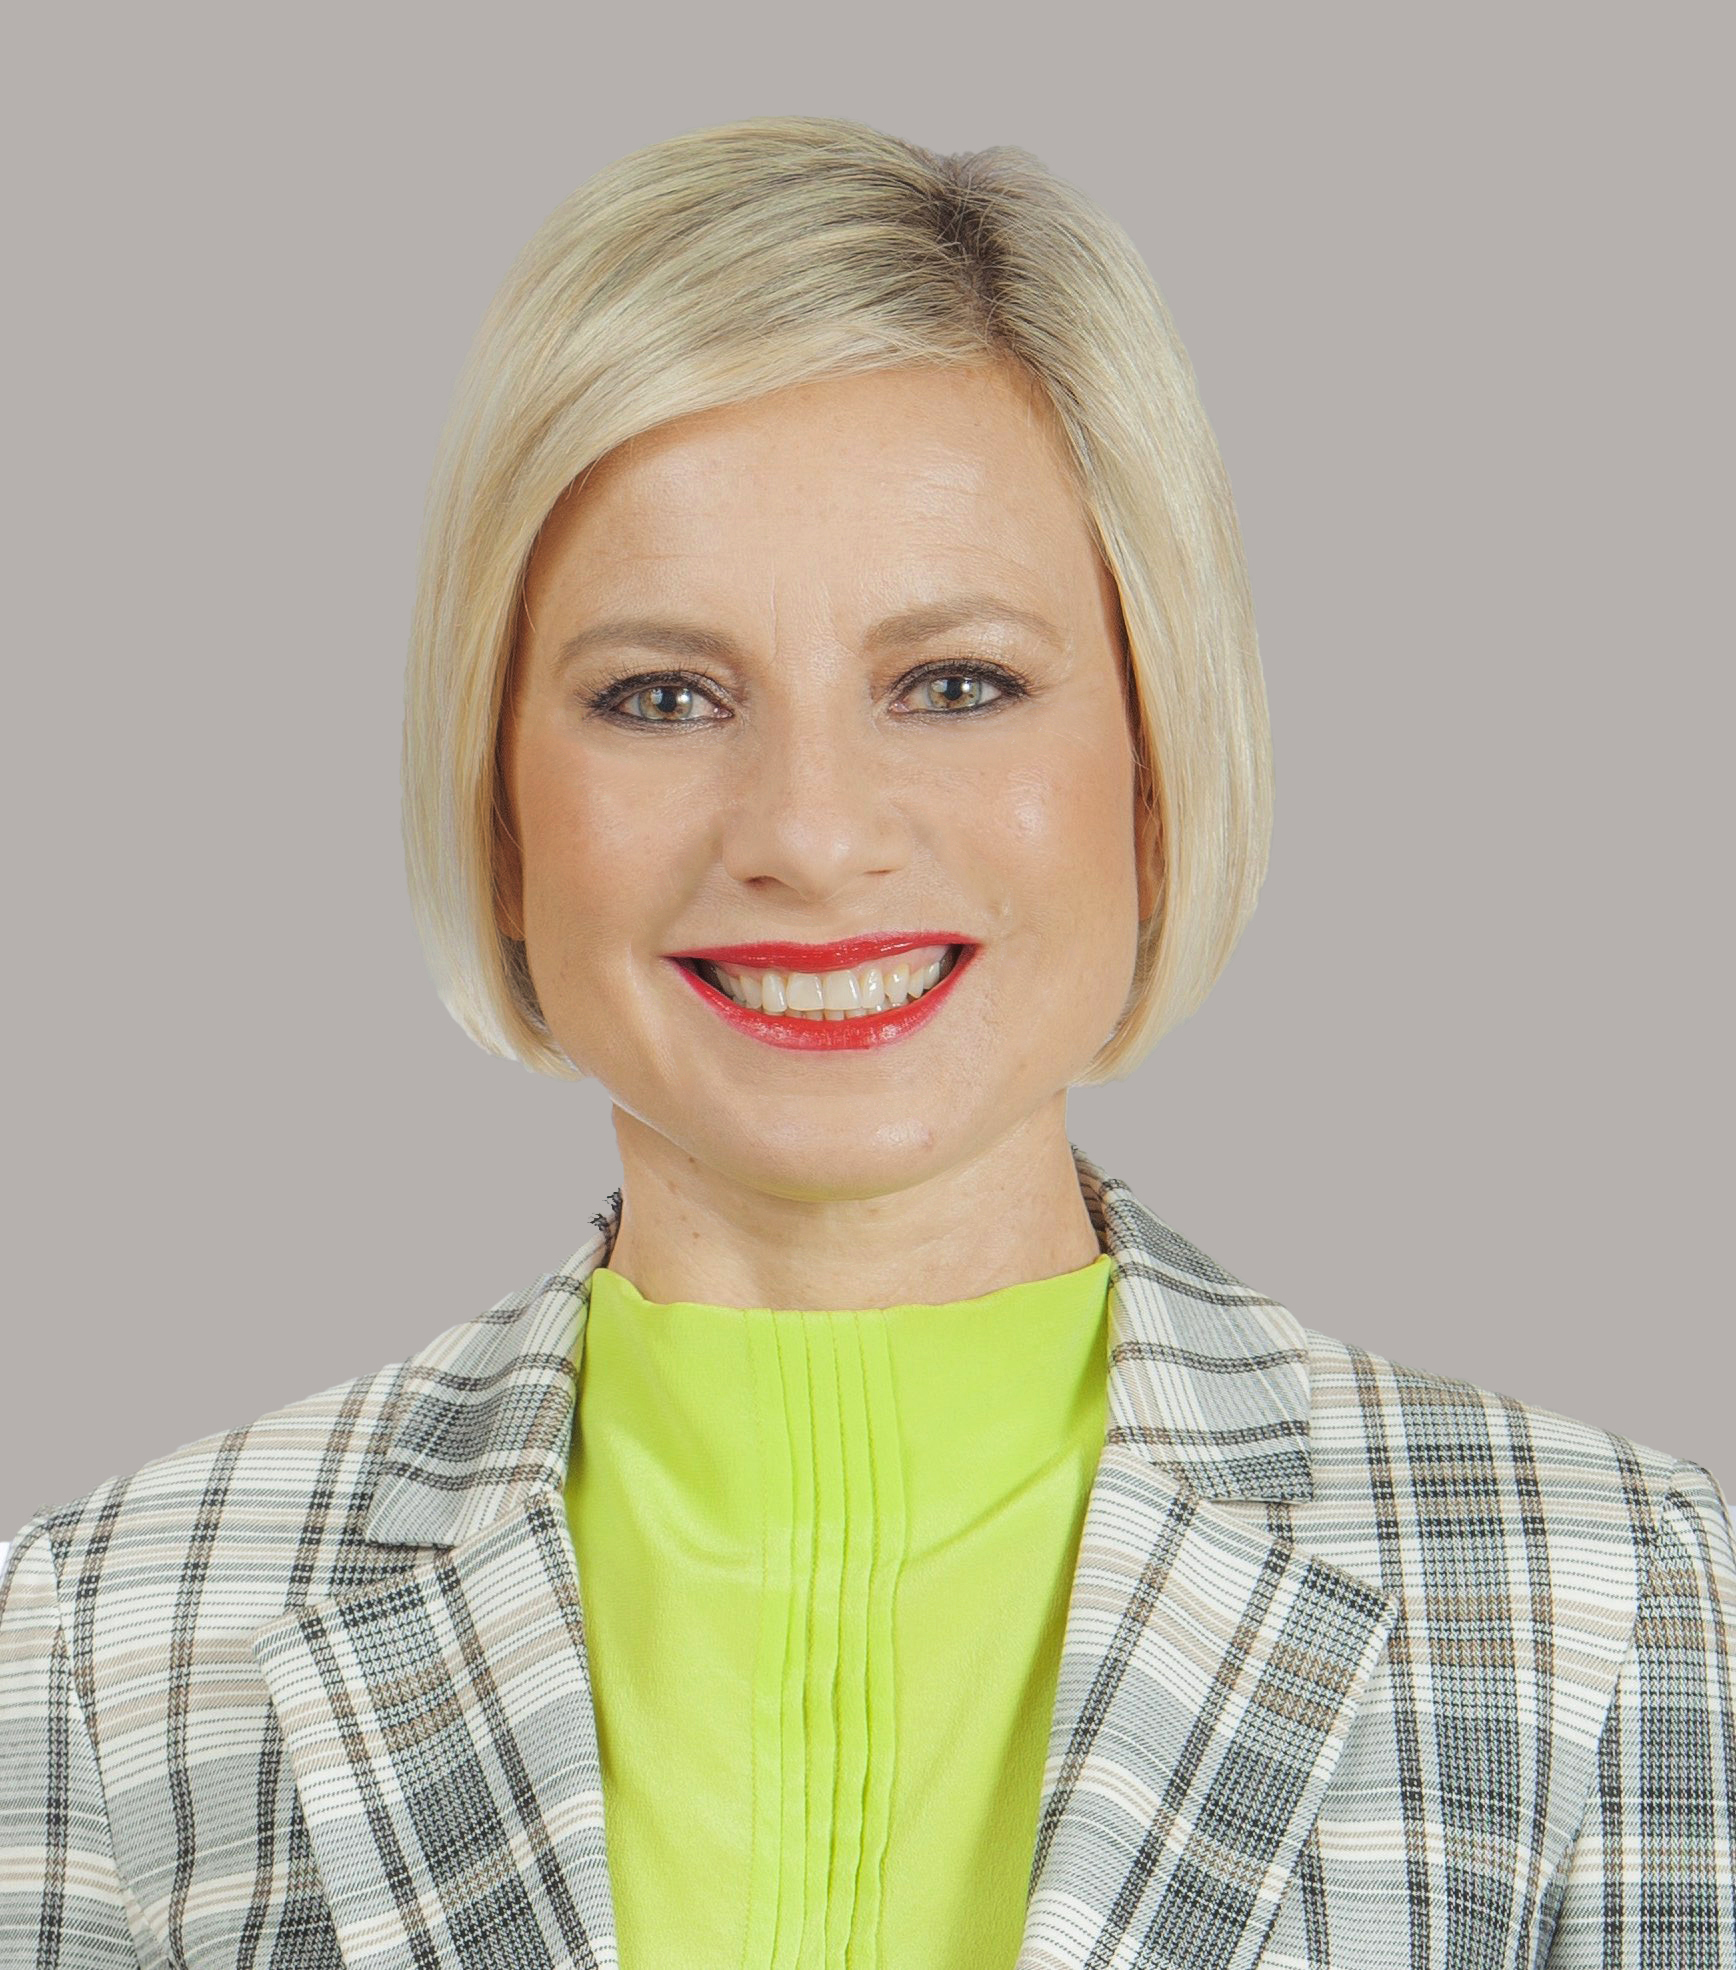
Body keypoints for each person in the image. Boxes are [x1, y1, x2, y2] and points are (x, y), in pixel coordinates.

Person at [1, 113, 1730, 1970]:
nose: (812, 834)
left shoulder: (1601, 1600)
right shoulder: (118, 1632)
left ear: (1154, 772)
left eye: (955, 684)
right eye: (662, 695)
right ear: (498, 809)